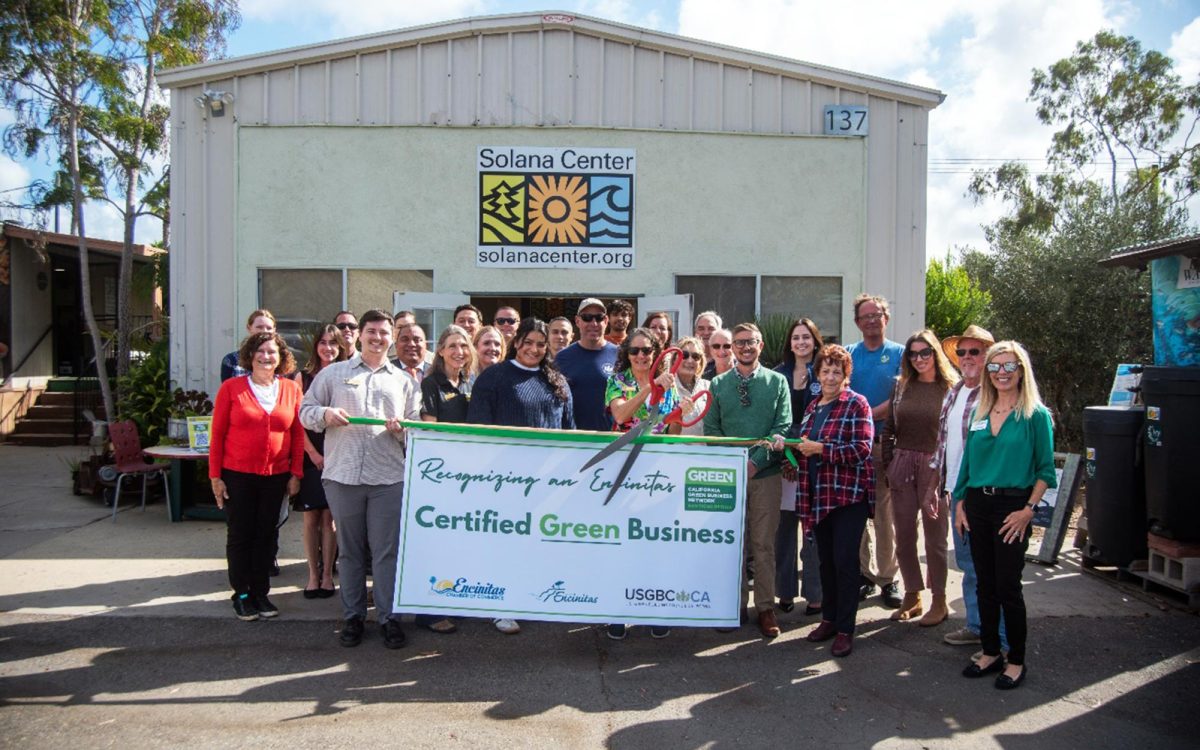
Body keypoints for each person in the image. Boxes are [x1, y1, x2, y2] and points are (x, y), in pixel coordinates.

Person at [299, 309, 421, 650]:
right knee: (350, 553)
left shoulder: (404, 381)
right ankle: (353, 617)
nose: (378, 338)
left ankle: (388, 618)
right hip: (343, 477)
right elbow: (305, 413)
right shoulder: (333, 375)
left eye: (384, 333)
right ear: (359, 335)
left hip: (388, 480)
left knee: (386, 553)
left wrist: (403, 431)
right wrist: (325, 414)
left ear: (392, 338)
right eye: (372, 331)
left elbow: (416, 432)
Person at [955, 341, 1055, 690]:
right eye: (995, 366)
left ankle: (1016, 659)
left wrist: (1028, 511)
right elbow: (967, 465)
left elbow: (1045, 471)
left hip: (1013, 508)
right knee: (984, 582)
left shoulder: (1035, 416)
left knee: (1008, 586)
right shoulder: (980, 413)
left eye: (1009, 366)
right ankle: (990, 651)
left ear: (1021, 371)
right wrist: (959, 503)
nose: (1001, 372)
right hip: (977, 505)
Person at [467, 317, 575, 635]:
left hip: (547, 481)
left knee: (539, 541)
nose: (535, 349)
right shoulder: (494, 378)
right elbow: (478, 428)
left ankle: (536, 597)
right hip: (505, 479)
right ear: (517, 343)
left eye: (541, 344)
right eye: (528, 342)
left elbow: (569, 431)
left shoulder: (557, 380)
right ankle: (502, 604)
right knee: (506, 544)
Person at [703, 323, 791, 639]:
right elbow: (711, 429)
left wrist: (755, 463)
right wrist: (736, 462)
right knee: (733, 544)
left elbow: (783, 425)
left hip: (765, 475)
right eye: (738, 343)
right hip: (729, 475)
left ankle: (765, 607)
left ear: (760, 345)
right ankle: (734, 604)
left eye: (750, 342)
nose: (744, 347)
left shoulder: (777, 382)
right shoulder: (718, 384)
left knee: (763, 544)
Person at [209, 331, 304, 621]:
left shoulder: (290, 389)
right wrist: (216, 477)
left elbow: (297, 434)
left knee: (267, 535)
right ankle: (242, 593)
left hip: (276, 476)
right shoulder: (232, 388)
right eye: (260, 351)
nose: (266, 356)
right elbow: (218, 434)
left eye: (272, 352)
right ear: (250, 356)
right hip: (237, 475)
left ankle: (261, 592)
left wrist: (296, 473)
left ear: (281, 358)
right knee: (241, 535)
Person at [791, 344, 876, 657]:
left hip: (847, 497)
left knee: (845, 562)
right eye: (825, 370)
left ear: (846, 375)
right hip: (818, 494)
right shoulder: (813, 406)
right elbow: (804, 444)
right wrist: (790, 446)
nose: (829, 376)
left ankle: (845, 629)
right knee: (825, 561)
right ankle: (828, 618)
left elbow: (861, 450)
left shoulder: (857, 404)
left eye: (836, 371)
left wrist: (821, 450)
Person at [933, 324, 1007, 653]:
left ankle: (1002, 641)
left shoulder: (997, 394)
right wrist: (940, 487)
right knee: (968, 565)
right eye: (961, 352)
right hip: (956, 493)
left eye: (973, 352)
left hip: (983, 494)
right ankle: (978, 626)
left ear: (988, 356)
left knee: (990, 569)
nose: (966, 358)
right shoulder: (955, 391)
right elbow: (944, 444)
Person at [604, 327, 681, 640]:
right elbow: (621, 413)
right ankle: (616, 611)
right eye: (634, 350)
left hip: (656, 473)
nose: (640, 356)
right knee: (620, 541)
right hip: (622, 469)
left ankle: (654, 609)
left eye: (646, 351)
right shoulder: (617, 381)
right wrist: (649, 388)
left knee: (653, 543)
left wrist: (681, 413)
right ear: (626, 353)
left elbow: (673, 431)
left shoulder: (669, 383)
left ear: (655, 353)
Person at [881, 329, 958, 625]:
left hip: (935, 468)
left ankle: (939, 599)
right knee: (903, 535)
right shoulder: (901, 386)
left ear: (936, 353)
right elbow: (889, 428)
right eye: (913, 353)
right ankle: (913, 594)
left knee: (936, 539)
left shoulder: (951, 387)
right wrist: (890, 464)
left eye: (925, 352)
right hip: (902, 463)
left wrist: (946, 473)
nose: (919, 358)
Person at [414, 324, 477, 635]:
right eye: (452, 345)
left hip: (467, 477)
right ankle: (427, 612)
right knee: (435, 545)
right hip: (441, 475)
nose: (459, 352)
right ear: (440, 351)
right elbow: (431, 431)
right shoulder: (431, 384)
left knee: (458, 544)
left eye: (464, 346)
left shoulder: (470, 382)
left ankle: (453, 601)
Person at [846, 293, 903, 608]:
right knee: (856, 515)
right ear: (857, 322)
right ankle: (864, 575)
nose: (871, 320)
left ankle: (888, 578)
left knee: (884, 516)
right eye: (865, 316)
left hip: (884, 445)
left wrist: (864, 415)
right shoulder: (848, 354)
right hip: (853, 449)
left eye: (876, 314)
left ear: (886, 317)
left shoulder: (899, 354)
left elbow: (898, 397)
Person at [774, 319, 825, 616]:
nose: (801, 342)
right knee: (783, 530)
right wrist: (786, 457)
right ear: (789, 343)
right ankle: (785, 591)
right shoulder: (778, 374)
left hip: (813, 457)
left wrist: (803, 453)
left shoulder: (823, 373)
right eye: (796, 337)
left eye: (807, 337)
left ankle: (815, 593)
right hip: (782, 460)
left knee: (812, 531)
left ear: (815, 341)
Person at [293, 325, 346, 600]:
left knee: (330, 518)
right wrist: (313, 454)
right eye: (323, 342)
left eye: (333, 343)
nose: (328, 348)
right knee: (311, 517)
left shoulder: (346, 375)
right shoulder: (302, 377)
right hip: (311, 455)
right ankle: (312, 575)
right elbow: (297, 420)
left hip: (338, 454)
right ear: (316, 346)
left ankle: (328, 576)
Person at [555, 298, 619, 432]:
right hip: (574, 438)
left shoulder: (620, 355)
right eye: (587, 318)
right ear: (578, 321)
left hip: (611, 438)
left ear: (606, 321)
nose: (593, 323)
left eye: (599, 318)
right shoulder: (562, 358)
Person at [220, 309, 276, 381]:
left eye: (269, 328)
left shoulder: (282, 360)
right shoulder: (231, 360)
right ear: (249, 328)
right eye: (259, 327)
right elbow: (227, 390)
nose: (264, 331)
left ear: (274, 330)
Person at [673, 336, 709, 437]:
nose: (690, 361)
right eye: (684, 355)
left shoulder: (709, 387)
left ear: (701, 362)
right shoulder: (665, 388)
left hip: (705, 450)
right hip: (674, 451)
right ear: (674, 359)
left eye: (696, 356)